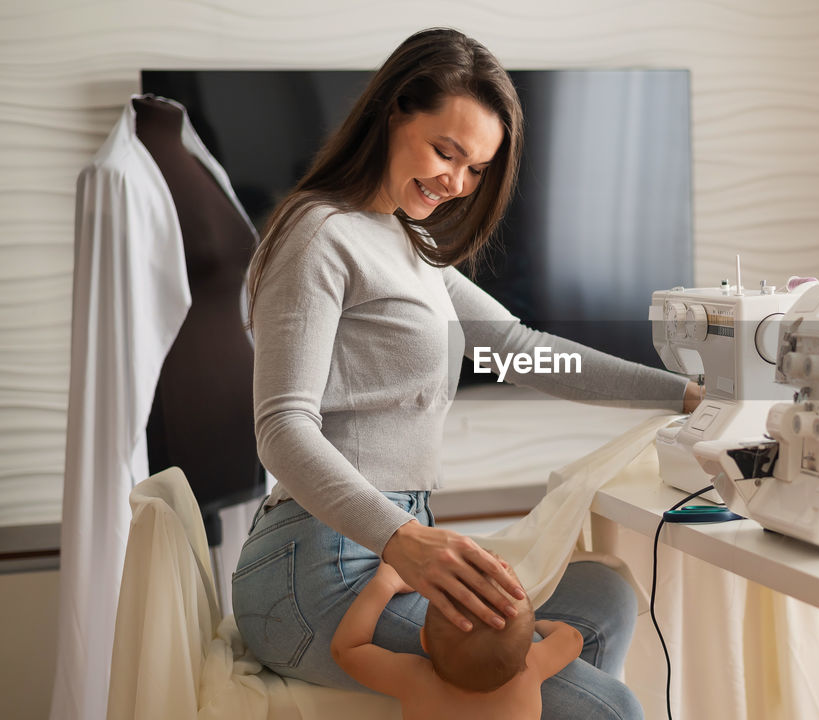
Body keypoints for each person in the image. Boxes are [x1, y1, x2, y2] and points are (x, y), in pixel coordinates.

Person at [230, 27, 701, 718]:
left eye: (476, 167)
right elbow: (281, 428)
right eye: (445, 150)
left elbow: (520, 347)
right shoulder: (320, 234)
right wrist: (404, 540)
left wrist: (684, 394)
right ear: (394, 112)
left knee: (603, 599)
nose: (456, 181)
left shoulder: (403, 241)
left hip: (385, 552)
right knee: (614, 710)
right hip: (316, 573)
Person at [331, 562, 582, 720]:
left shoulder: (416, 680)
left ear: (424, 641)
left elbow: (347, 650)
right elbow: (573, 638)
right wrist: (539, 626)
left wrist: (384, 584)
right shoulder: (532, 666)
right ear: (528, 645)